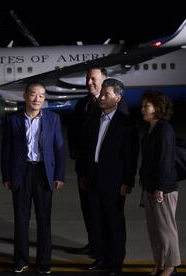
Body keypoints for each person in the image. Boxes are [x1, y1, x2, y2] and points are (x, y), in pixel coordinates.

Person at [1, 82, 65, 274]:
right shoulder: (13, 120)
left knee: (44, 219)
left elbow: (59, 149)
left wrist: (59, 175)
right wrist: (7, 176)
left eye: (41, 95)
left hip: (44, 173)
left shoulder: (53, 119)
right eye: (33, 95)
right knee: (21, 219)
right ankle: (20, 260)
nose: (37, 99)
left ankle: (44, 262)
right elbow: (6, 150)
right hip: (21, 172)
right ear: (25, 96)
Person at [67, 67, 129, 256]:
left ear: (104, 79)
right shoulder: (82, 104)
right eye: (87, 79)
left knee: (109, 213)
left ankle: (110, 251)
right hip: (85, 169)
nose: (89, 83)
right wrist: (76, 153)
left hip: (109, 173)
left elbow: (123, 141)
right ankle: (95, 245)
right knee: (89, 209)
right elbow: (73, 132)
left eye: (93, 79)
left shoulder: (119, 104)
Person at [81, 78, 139, 276]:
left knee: (113, 223)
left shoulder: (126, 124)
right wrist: (84, 174)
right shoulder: (93, 119)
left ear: (118, 97)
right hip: (93, 178)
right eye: (102, 94)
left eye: (106, 94)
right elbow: (86, 150)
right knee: (96, 221)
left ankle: (115, 263)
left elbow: (131, 155)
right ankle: (101, 258)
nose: (102, 97)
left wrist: (127, 181)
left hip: (114, 182)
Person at [139, 90, 181, 276]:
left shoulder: (164, 130)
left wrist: (160, 188)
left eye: (146, 106)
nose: (142, 109)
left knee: (166, 230)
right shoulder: (152, 129)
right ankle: (159, 263)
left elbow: (165, 161)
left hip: (162, 189)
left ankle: (171, 266)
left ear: (157, 108)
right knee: (154, 231)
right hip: (150, 187)